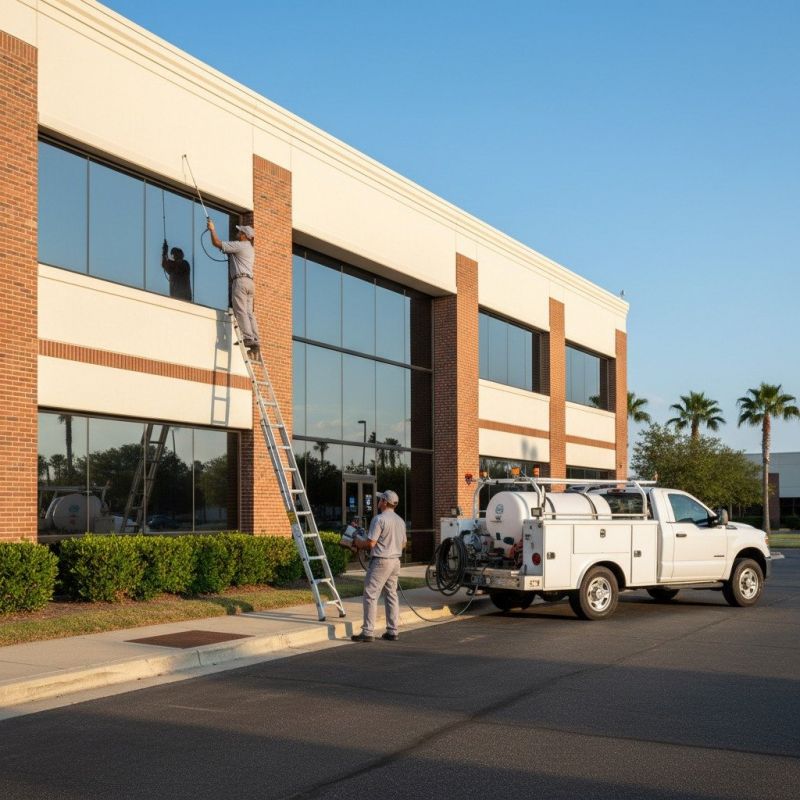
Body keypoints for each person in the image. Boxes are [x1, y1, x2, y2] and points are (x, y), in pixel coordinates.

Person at [351, 489, 407, 642]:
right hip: (395, 561)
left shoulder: (379, 519)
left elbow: (370, 543)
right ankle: (392, 631)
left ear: (383, 502)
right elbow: (403, 544)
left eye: (379, 499)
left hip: (381, 561)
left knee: (370, 594)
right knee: (391, 594)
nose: (378, 502)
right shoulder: (400, 521)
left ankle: (368, 632)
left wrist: (357, 542)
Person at [207, 220, 260, 355]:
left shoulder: (241, 246)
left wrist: (212, 229)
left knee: (241, 310)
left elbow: (216, 243)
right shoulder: (250, 249)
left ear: (244, 235)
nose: (237, 233)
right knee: (249, 313)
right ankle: (255, 339)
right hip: (249, 282)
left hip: (240, 281)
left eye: (239, 232)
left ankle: (248, 338)